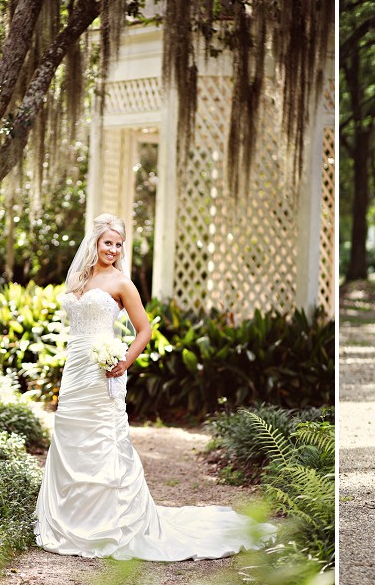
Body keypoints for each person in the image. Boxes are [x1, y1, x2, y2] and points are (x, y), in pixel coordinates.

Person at [34, 213, 276, 560]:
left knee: (103, 440)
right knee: (70, 435)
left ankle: (108, 522)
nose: (114, 250)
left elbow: (143, 330)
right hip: (75, 371)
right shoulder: (78, 277)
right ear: (95, 242)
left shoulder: (122, 283)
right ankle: (69, 517)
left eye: (119, 244)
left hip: (104, 372)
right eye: (108, 243)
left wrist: (124, 362)